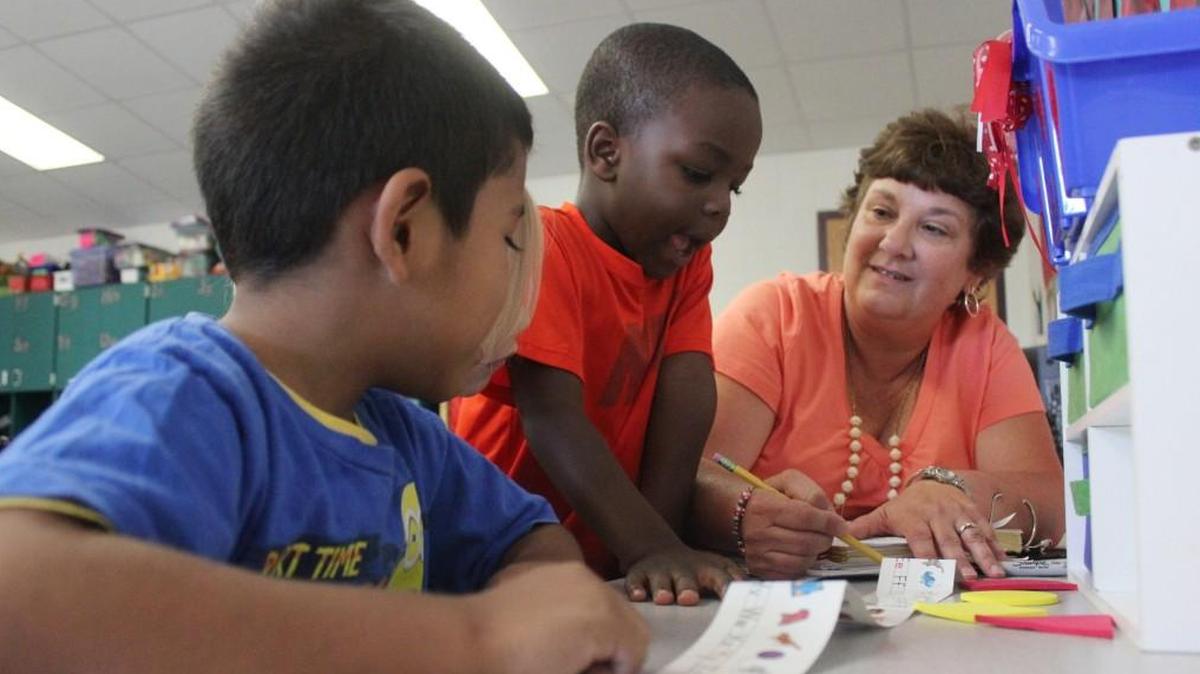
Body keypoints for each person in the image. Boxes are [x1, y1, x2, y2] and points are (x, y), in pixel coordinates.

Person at [0, 2, 647, 673]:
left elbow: (533, 540)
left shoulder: (404, 435)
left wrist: (534, 602)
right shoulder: (186, 393)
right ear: (404, 230)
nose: (518, 273)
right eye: (510, 234)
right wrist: (475, 638)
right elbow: (16, 591)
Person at [452, 23, 763, 605]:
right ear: (606, 152)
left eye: (735, 187)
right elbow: (551, 417)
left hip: (604, 564)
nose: (719, 203)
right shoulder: (542, 245)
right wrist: (649, 548)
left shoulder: (684, 266)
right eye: (698, 173)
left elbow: (687, 400)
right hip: (490, 561)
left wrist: (664, 548)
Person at [690, 109, 1065, 581]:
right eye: (882, 212)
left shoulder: (985, 345)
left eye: (934, 228)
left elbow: (1052, 506)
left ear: (977, 272)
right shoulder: (774, 315)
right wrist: (744, 511)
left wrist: (948, 487)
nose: (894, 242)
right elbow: (688, 478)